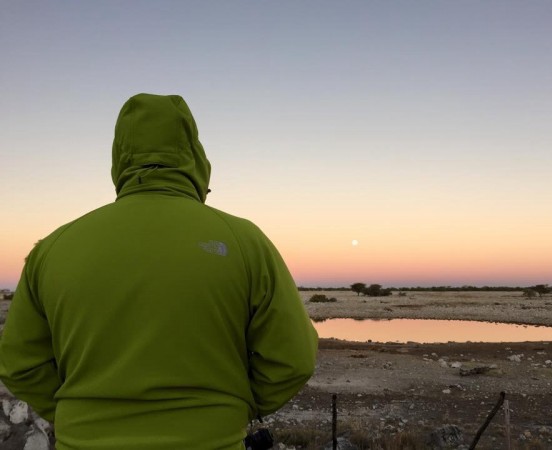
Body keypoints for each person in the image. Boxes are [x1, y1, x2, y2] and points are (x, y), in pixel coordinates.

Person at [0, 93, 318, 449]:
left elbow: (18, 364)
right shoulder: (244, 241)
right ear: (195, 155)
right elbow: (295, 359)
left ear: (118, 157)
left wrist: (77, 414)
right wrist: (230, 408)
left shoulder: (53, 248)